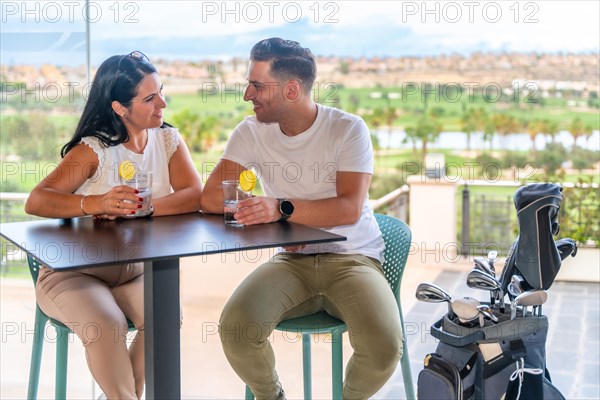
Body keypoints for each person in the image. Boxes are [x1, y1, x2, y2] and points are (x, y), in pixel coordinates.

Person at [201, 38, 402, 400]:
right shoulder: (250, 132)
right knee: (236, 330)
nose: (248, 94)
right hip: (292, 262)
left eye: (257, 85)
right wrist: (268, 216)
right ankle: (272, 396)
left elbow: (348, 208)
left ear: (292, 89)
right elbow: (211, 195)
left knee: (384, 346)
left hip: (353, 259)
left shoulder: (347, 129)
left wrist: (278, 207)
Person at [25, 51, 202, 399]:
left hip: (137, 270)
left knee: (165, 318)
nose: (162, 103)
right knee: (108, 326)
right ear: (120, 108)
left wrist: (144, 209)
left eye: (161, 91)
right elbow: (37, 200)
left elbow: (194, 193)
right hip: (75, 273)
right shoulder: (94, 150)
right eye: (150, 98)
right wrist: (94, 203)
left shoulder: (167, 140)